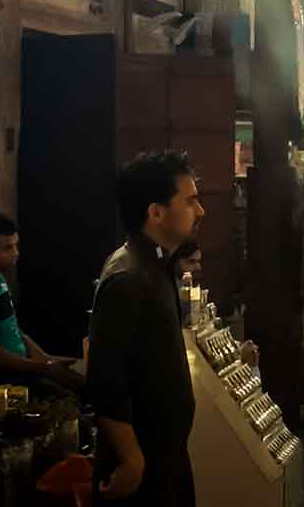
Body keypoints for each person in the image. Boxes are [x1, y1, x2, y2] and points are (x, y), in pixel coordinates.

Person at [87, 150, 205, 505]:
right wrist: (130, 457)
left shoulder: (156, 264)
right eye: (191, 202)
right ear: (156, 212)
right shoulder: (128, 277)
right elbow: (105, 379)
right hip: (143, 464)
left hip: (166, 455)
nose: (200, 212)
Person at [0, 213, 85, 393]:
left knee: (82, 383)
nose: (16, 253)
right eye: (7, 247)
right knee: (71, 398)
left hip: (22, 370)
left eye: (16, 245)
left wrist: (46, 360)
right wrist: (44, 369)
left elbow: (13, 329)